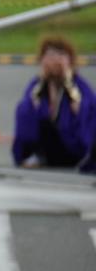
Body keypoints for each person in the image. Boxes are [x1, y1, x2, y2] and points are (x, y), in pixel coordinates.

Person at [12, 37, 96, 171]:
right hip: (44, 147)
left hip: (72, 148)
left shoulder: (80, 86)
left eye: (61, 55)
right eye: (49, 55)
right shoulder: (37, 86)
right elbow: (28, 111)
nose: (54, 60)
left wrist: (68, 83)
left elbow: (84, 113)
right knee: (22, 108)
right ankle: (34, 156)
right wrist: (41, 85)